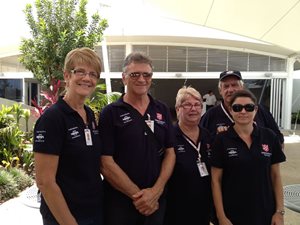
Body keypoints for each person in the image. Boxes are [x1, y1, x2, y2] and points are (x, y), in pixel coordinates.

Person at [98, 52, 176, 225]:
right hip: (121, 203)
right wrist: (139, 197)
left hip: (155, 203)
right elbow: (105, 162)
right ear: (124, 78)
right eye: (135, 74)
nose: (142, 79)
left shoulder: (161, 109)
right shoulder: (111, 113)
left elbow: (171, 153)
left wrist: (156, 191)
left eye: (146, 74)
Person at [33, 47, 104, 225]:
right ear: (66, 76)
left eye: (93, 74)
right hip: (65, 217)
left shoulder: (89, 114)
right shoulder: (53, 119)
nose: (87, 78)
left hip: (93, 212)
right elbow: (44, 181)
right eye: (80, 71)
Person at [211, 89, 286, 225]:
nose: (243, 112)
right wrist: (221, 217)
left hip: (265, 213)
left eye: (249, 107)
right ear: (231, 110)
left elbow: (276, 176)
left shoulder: (269, 136)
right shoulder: (221, 140)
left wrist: (279, 211)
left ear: (256, 110)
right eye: (237, 108)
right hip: (232, 215)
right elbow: (216, 181)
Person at [164, 86, 212, 225]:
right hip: (176, 209)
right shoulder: (169, 136)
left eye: (197, 104)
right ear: (178, 109)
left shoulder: (207, 135)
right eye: (188, 105)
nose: (193, 108)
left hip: (203, 208)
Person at [200, 70, 284, 146]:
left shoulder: (258, 110)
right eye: (226, 86)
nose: (230, 89)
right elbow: (200, 142)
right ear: (220, 91)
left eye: (234, 85)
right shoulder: (210, 115)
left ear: (242, 87)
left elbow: (278, 138)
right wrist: (217, 136)